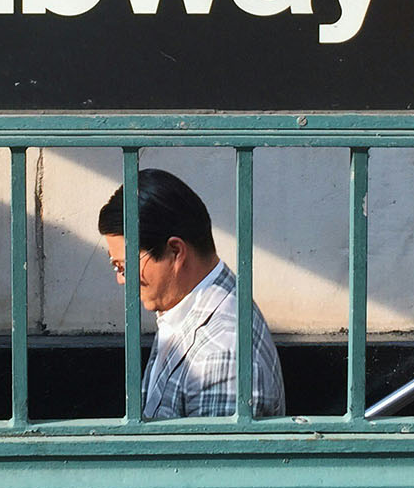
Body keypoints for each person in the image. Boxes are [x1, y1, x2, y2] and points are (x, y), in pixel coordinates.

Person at [97, 168, 286, 419]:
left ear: (175, 252)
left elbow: (214, 459)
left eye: (125, 266)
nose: (121, 279)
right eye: (116, 265)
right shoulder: (190, 305)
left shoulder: (220, 355)